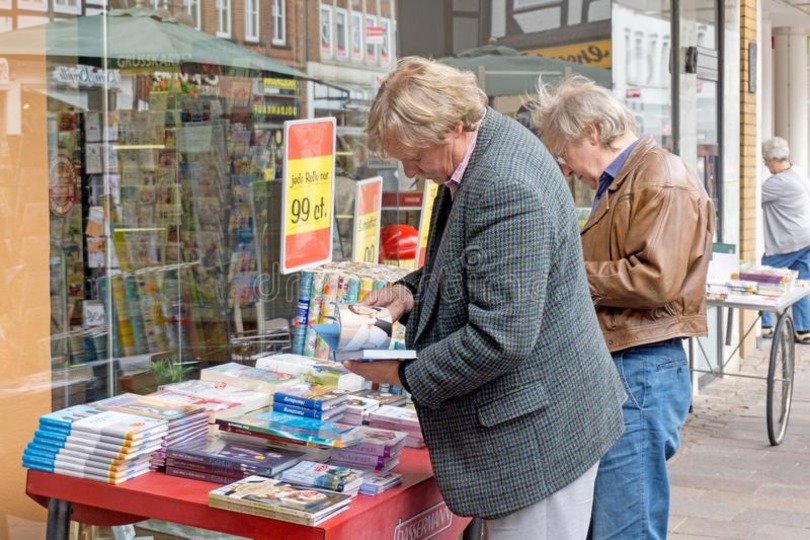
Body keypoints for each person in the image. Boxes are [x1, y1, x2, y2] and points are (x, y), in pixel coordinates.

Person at [343, 56, 626, 539]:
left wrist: (399, 371)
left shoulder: (504, 186)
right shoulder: (479, 147)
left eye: (413, 156)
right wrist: (408, 294)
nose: (410, 172)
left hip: (538, 439)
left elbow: (501, 338)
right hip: (536, 418)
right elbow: (471, 262)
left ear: (453, 126)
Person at [530, 75, 715, 540]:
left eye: (563, 152)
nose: (566, 168)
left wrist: (568, 274)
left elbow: (657, 279)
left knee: (625, 527)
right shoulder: (627, 180)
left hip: (640, 369)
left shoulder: (661, 177)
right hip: (628, 365)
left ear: (590, 132)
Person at [760, 136, 810, 343]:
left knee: (763, 276)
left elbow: (746, 194)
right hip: (805, 237)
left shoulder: (778, 183)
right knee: (803, 283)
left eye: (765, 160)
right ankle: (804, 330)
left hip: (788, 241)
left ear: (773, 159)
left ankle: (766, 326)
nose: (764, 164)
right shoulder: (797, 171)